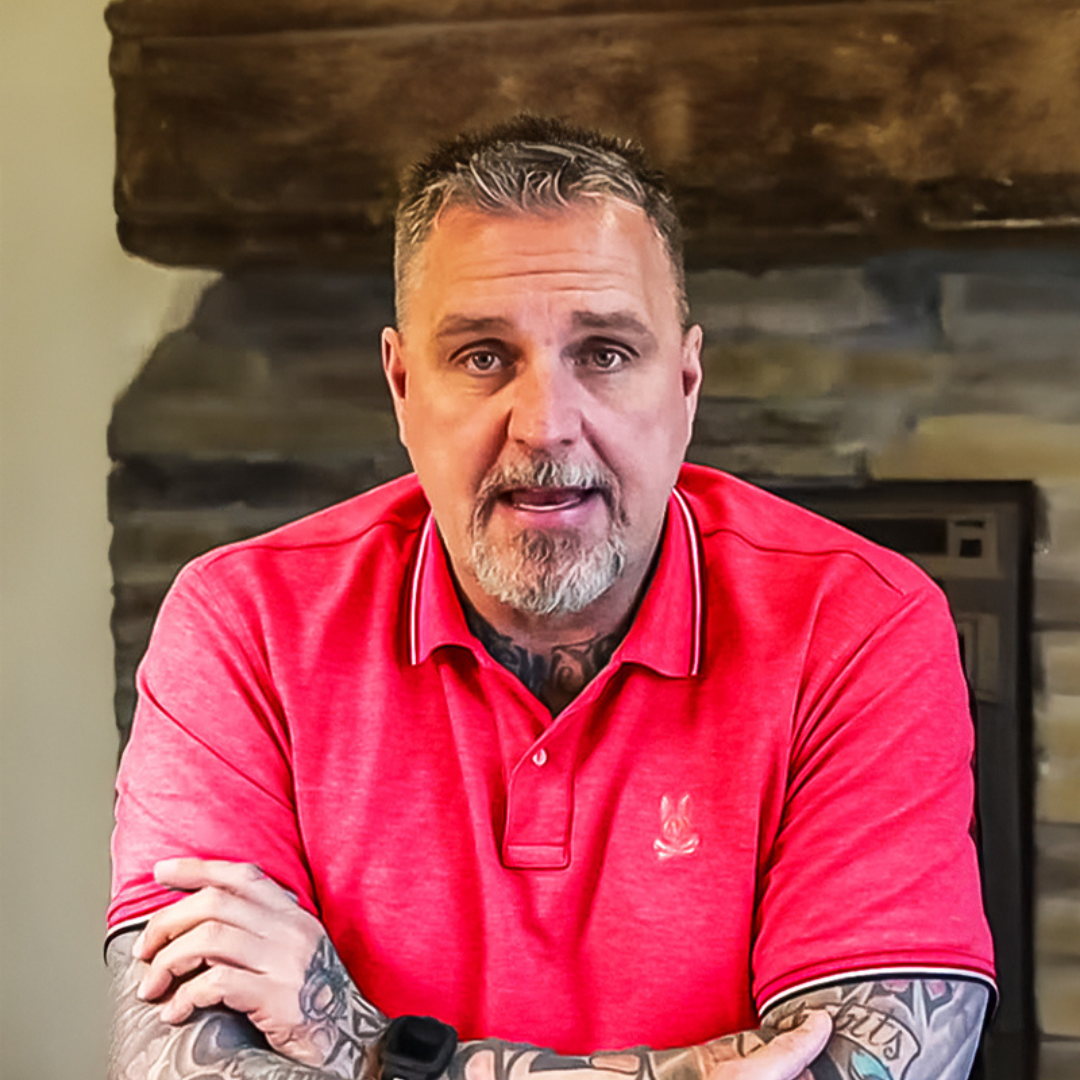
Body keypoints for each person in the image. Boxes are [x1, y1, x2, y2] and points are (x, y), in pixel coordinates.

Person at [106, 116, 996, 1080]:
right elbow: (176, 1061)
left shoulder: (859, 623)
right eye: (483, 356)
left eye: (605, 353)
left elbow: (871, 1062)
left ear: (685, 384)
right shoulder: (240, 624)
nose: (545, 425)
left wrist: (368, 1049)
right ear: (402, 387)